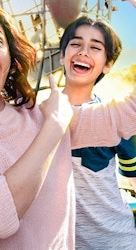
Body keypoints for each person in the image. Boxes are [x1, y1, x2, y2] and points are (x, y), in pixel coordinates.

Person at [0, 0, 136, 250]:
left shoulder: (37, 115)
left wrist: (54, 120)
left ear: (10, 57)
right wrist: (54, 126)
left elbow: (126, 117)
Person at [59, 14, 136, 249]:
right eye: (75, 44)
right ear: (62, 56)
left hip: (115, 241)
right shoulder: (35, 116)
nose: (83, 52)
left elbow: (133, 176)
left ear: (108, 64)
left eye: (95, 47)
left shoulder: (115, 118)